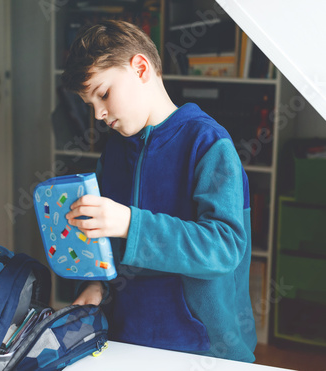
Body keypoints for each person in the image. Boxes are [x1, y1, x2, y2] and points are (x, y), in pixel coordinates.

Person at [61, 20, 257, 362]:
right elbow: (107, 246)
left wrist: (130, 224)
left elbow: (224, 248)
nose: (99, 114)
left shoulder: (208, 144)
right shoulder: (114, 151)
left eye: (103, 94)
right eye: (89, 104)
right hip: (127, 339)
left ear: (140, 68)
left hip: (203, 348)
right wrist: (96, 285)